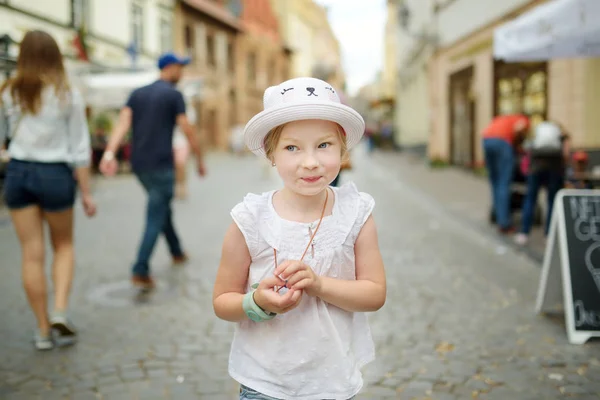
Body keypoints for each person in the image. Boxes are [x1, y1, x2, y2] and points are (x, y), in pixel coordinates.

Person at [212, 77, 386, 399]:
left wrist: (319, 285)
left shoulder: (356, 213)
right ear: (271, 154)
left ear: (342, 148)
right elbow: (223, 302)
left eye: (324, 145)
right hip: (264, 383)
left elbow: (374, 294)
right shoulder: (250, 219)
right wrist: (258, 303)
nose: (310, 161)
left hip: (333, 382)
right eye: (292, 147)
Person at [0, 30, 96, 350]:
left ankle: (42, 330)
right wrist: (86, 193)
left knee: (31, 253)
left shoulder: (9, 91)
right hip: (55, 174)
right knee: (64, 245)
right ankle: (59, 312)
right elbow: (80, 149)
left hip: (19, 172)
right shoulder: (67, 93)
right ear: (55, 56)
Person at [99, 52, 206, 290]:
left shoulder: (137, 94)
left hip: (139, 165)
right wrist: (199, 158)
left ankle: (176, 251)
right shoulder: (175, 95)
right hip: (161, 164)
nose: (182, 72)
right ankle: (140, 269)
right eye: (180, 67)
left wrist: (109, 153)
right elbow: (187, 129)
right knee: (156, 213)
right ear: (169, 68)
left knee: (161, 205)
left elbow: (122, 124)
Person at [514, 121, 569, 245]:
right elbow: (565, 154)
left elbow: (526, 149)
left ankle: (524, 233)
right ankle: (549, 234)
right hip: (554, 170)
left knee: (530, 199)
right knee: (551, 201)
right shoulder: (561, 135)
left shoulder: (536, 135)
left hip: (535, 169)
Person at [482, 113, 530, 234]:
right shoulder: (522, 119)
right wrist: (519, 147)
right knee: (504, 182)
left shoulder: (502, 119)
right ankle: (504, 223)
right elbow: (519, 129)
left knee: (495, 182)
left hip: (486, 141)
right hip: (502, 142)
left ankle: (498, 215)